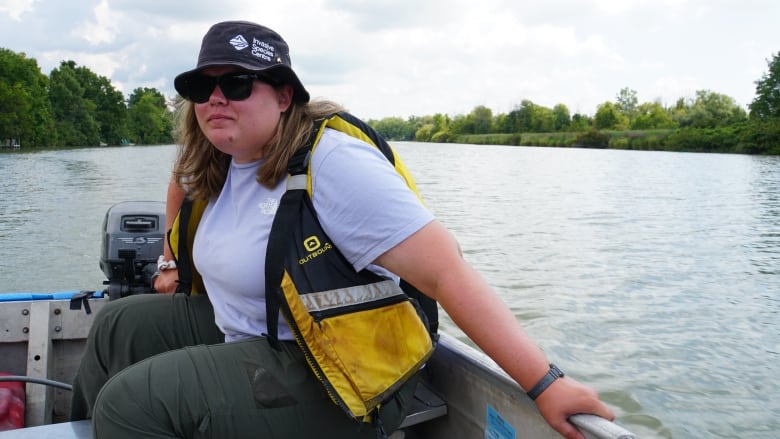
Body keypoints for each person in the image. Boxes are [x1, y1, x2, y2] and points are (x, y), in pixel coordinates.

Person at [70, 20, 614, 439]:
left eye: (236, 84)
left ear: (284, 96)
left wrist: (545, 384)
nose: (216, 98)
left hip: (338, 370)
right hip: (257, 334)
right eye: (201, 86)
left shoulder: (332, 163)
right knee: (117, 325)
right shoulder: (223, 160)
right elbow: (180, 184)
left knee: (132, 403)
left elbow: (448, 272)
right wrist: (169, 259)